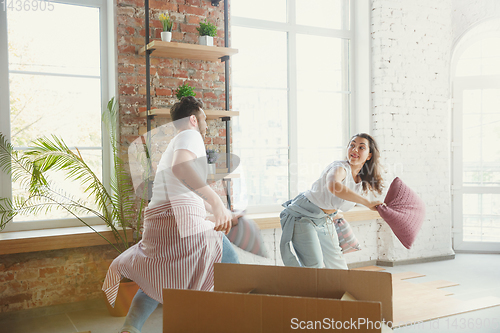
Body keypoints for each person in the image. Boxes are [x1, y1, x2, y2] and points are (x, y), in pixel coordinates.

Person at [102, 96, 239, 333]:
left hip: (158, 223)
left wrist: (218, 210)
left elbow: (183, 188)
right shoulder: (191, 135)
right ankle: (235, 322)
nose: (206, 123)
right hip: (176, 221)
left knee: (159, 277)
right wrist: (217, 202)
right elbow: (181, 167)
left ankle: (130, 329)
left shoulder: (176, 141)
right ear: (194, 119)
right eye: (204, 118)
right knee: (232, 266)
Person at [280, 133, 385, 270]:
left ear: (369, 155)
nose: (354, 150)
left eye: (361, 147)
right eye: (352, 145)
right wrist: (367, 203)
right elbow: (334, 186)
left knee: (336, 260)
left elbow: (340, 198)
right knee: (314, 264)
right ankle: (310, 291)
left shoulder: (361, 178)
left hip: (324, 218)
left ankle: (343, 291)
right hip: (303, 216)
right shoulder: (339, 168)